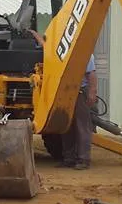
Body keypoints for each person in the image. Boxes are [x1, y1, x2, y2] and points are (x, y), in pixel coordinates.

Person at [26, 28, 97, 169]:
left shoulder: (84, 52)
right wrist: (36, 36)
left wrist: (92, 93)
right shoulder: (62, 51)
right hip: (63, 93)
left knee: (81, 127)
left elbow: (91, 74)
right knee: (66, 126)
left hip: (79, 92)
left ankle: (83, 159)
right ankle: (69, 158)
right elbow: (47, 47)